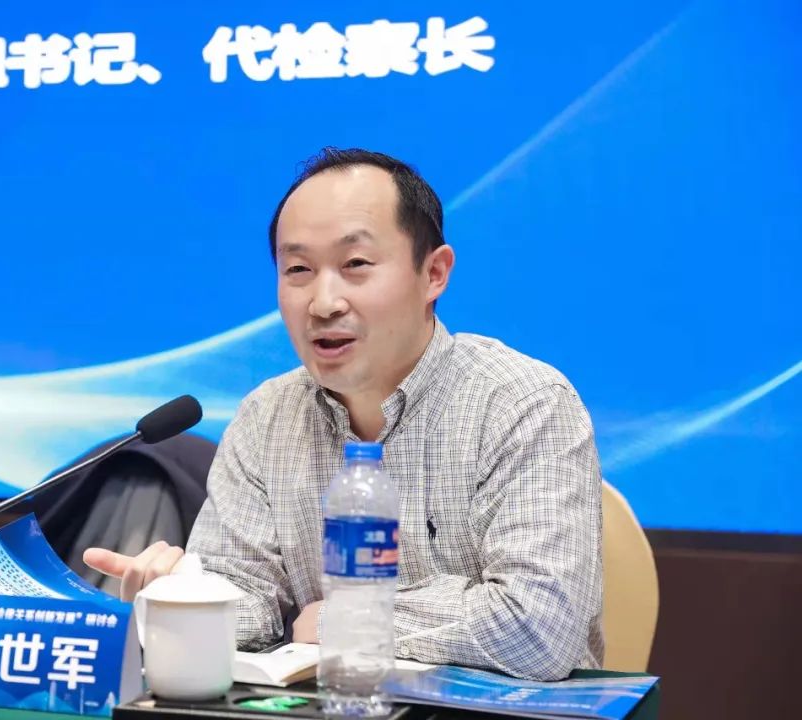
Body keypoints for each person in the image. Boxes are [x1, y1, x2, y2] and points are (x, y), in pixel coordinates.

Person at [83, 148, 604, 681]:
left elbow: (538, 627)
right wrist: (187, 597)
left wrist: (338, 621)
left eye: (355, 265)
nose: (324, 302)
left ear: (434, 274)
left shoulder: (523, 404)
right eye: (298, 270)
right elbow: (251, 597)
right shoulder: (267, 417)